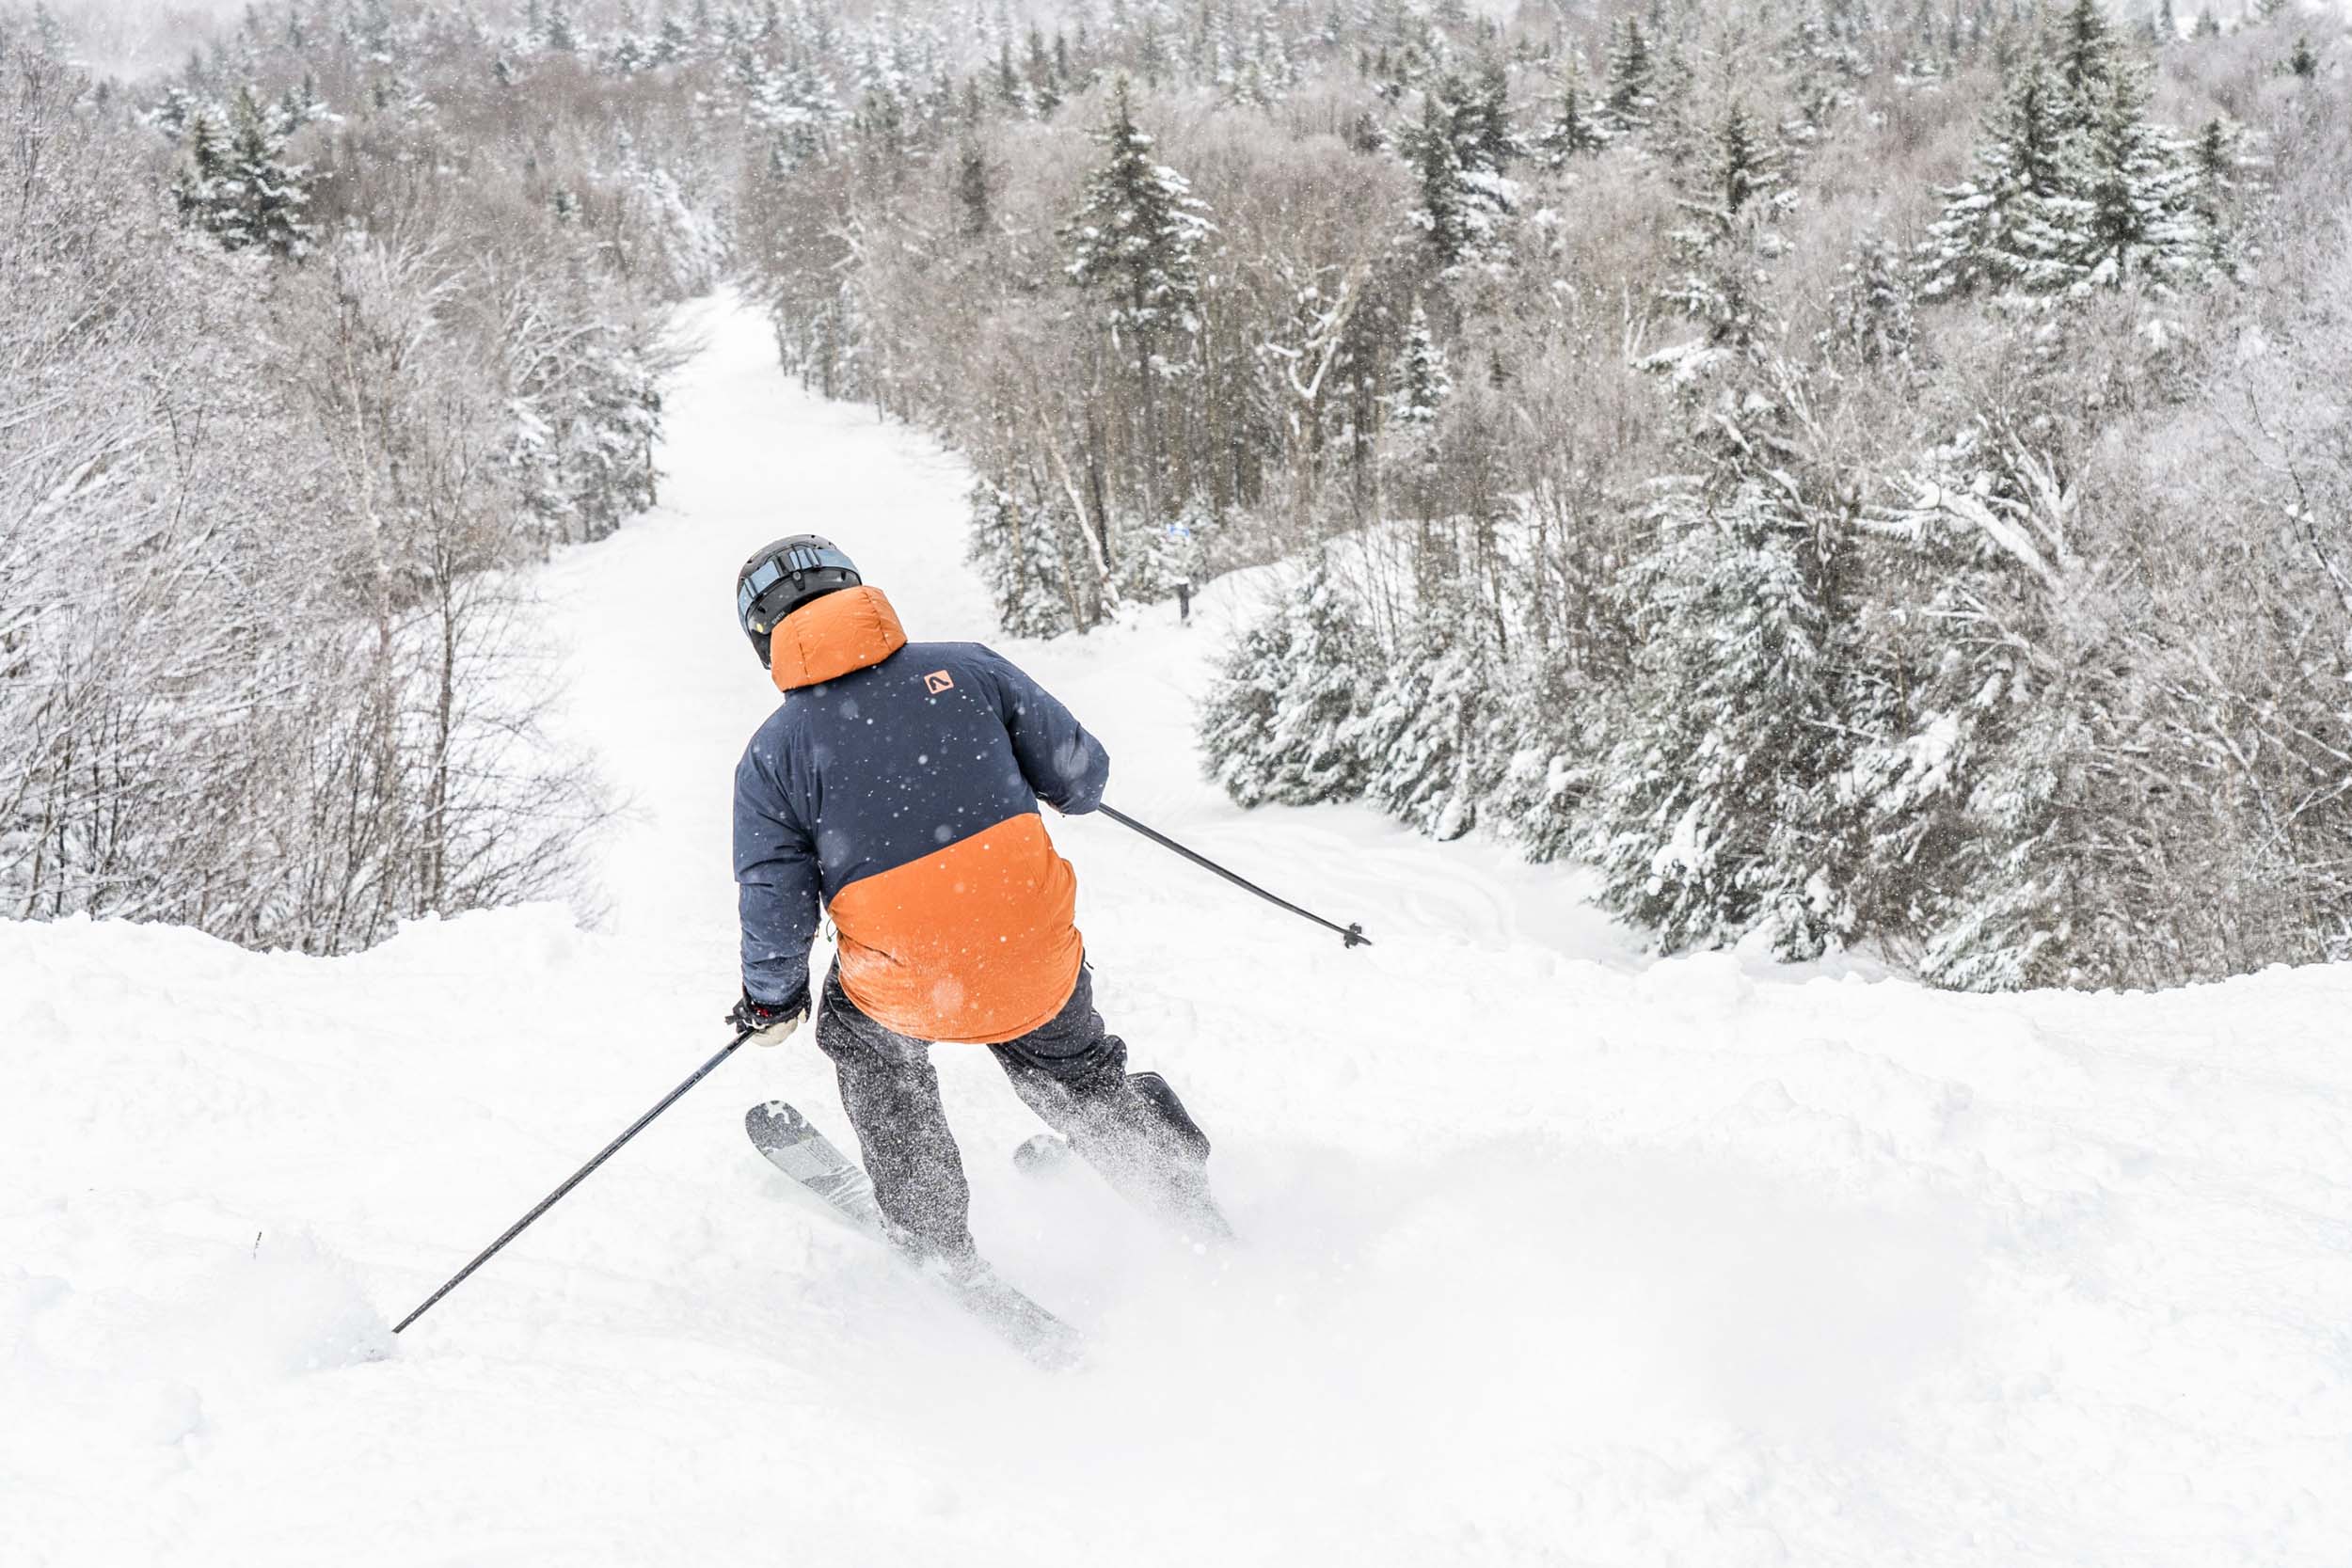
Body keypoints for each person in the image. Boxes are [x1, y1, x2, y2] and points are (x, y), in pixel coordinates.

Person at [723, 534, 1230, 1269]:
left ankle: (934, 1235)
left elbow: (776, 901)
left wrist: (772, 1002)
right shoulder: (968, 668)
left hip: (906, 985)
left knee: (871, 1050)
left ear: (765, 641)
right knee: (1076, 1067)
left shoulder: (773, 754)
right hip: (1033, 955)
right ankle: (1172, 1186)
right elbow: (1082, 778)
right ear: (855, 592)